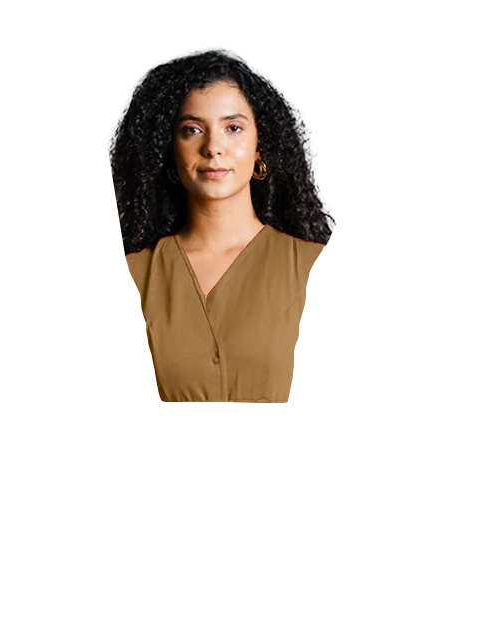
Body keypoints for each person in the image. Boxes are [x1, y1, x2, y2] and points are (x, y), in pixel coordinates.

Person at [109, 50, 334, 403]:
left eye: (233, 128)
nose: (213, 147)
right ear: (169, 150)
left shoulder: (320, 269)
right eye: (192, 130)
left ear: (260, 148)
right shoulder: (128, 276)